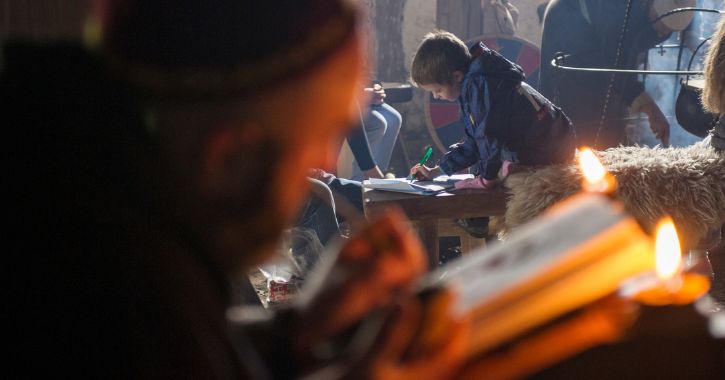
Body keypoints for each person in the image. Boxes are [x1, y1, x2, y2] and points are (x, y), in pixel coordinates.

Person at [9, 1, 469, 378]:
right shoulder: (96, 276)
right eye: (319, 139)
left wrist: (297, 331)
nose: (327, 165)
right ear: (227, 157)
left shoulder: (105, 192)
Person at [408, 31, 575, 189]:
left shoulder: (481, 84)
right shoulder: (475, 80)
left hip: (550, 147)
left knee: (489, 171)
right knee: (486, 166)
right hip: (555, 139)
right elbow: (474, 141)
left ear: (457, 76)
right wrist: (438, 170)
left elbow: (488, 135)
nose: (436, 96)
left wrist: (486, 179)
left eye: (437, 90)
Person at [539, 0, 682, 149]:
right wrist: (651, 109)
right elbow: (616, 63)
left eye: (668, 31)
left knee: (612, 105)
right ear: (653, 8)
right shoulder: (619, 13)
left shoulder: (639, 13)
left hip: (598, 33)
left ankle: (608, 146)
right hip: (572, 24)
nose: (664, 33)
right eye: (663, 28)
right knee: (581, 112)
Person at [349, 82, 403, 181]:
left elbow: (366, 74)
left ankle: (379, 174)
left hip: (358, 93)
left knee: (394, 118)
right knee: (377, 123)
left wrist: (375, 86)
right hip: (346, 99)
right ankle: (360, 180)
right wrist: (361, 94)